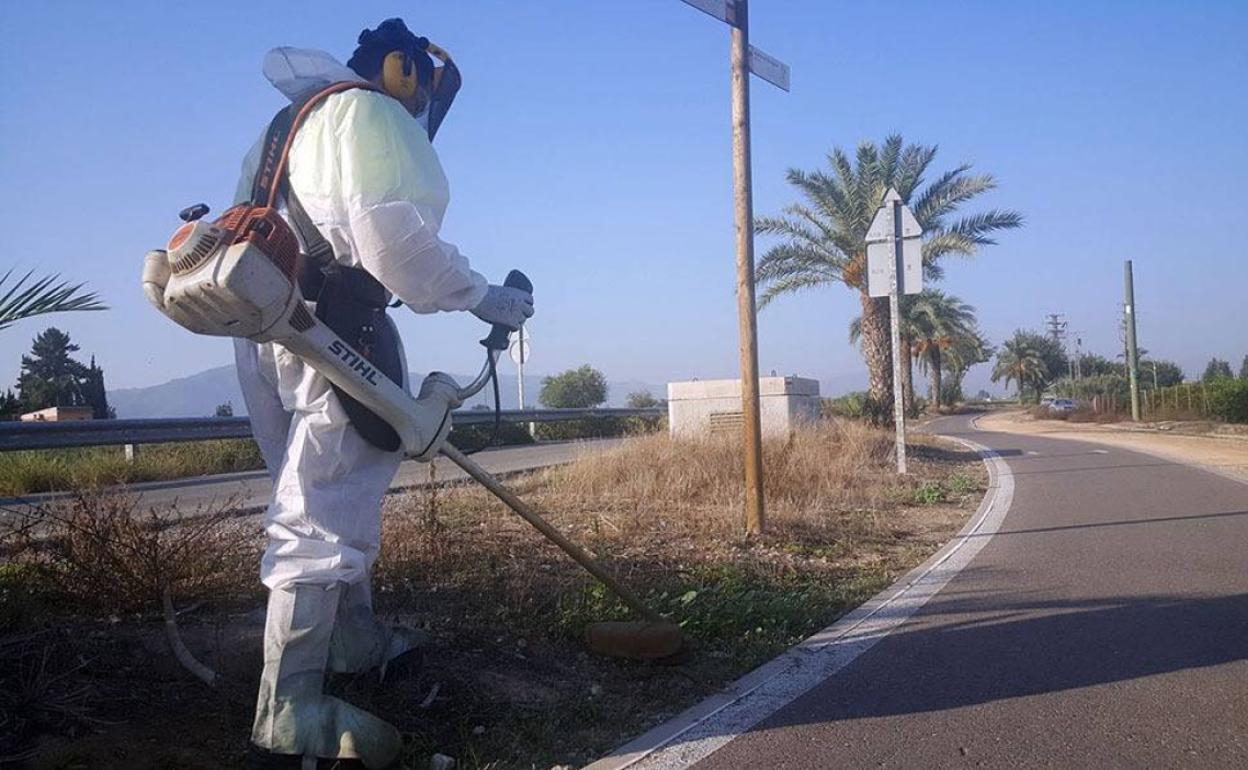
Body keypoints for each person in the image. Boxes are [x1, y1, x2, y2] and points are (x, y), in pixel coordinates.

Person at [234, 19, 534, 769]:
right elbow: (392, 242)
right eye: (427, 92)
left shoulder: (294, 121)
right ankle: (289, 708)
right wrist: (482, 297)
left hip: (265, 325)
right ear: (403, 73)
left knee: (317, 497)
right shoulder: (370, 115)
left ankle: (351, 640)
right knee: (323, 512)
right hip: (335, 327)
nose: (427, 113)